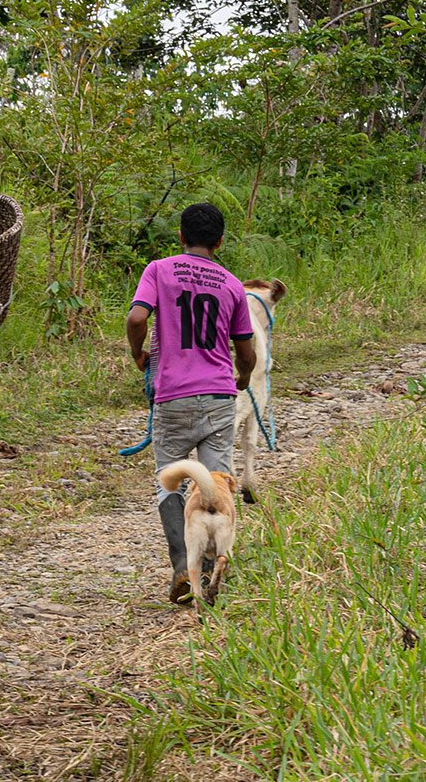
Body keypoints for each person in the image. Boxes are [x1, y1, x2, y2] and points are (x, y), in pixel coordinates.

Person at [127, 201, 256, 604]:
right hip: (219, 394)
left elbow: (136, 318)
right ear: (219, 242)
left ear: (181, 236)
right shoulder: (233, 284)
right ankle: (216, 563)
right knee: (217, 481)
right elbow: (246, 349)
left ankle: (183, 563)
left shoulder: (159, 270)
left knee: (171, 481)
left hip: (173, 396)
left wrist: (138, 354)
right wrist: (245, 377)